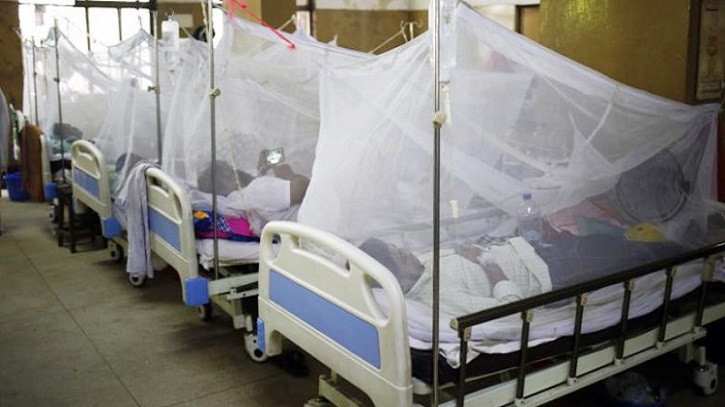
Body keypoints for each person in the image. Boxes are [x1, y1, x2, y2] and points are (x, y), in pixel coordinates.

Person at [196, 154, 310, 235]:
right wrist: (288, 174)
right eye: (230, 168)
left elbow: (263, 196)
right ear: (228, 176)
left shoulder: (239, 199)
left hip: (300, 229)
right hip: (312, 220)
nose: (235, 168)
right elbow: (303, 188)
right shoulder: (256, 190)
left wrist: (261, 173)